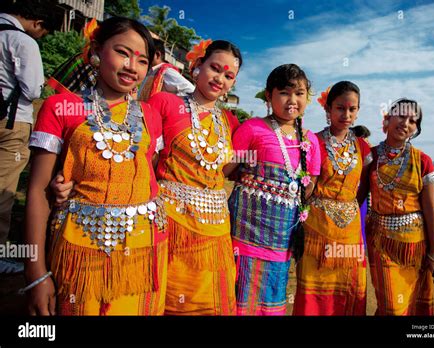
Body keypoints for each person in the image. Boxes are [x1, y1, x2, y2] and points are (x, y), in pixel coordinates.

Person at [24, 17, 168, 316]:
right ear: (96, 51)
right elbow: (37, 190)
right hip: (82, 248)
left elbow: (145, 176)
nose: (132, 66)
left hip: (145, 248)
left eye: (142, 60)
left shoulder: (151, 115)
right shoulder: (61, 107)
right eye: (122, 52)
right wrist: (36, 273)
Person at [147, 39, 242, 315]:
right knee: (167, 298)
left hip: (215, 231)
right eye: (215, 68)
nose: (220, 79)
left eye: (229, 76)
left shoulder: (230, 122)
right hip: (171, 224)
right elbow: (146, 158)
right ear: (197, 66)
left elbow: (224, 169)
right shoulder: (164, 103)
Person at [226, 64, 321, 315]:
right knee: (240, 292)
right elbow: (226, 169)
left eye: (299, 93)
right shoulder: (252, 129)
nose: (293, 100)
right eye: (284, 93)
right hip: (245, 234)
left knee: (272, 295)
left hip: (281, 237)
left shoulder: (310, 140)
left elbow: (309, 185)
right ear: (269, 96)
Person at [293, 81, 372, 315]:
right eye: (340, 108)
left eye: (352, 109)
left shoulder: (363, 148)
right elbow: (303, 185)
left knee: (349, 288)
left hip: (349, 233)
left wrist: (347, 209)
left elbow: (364, 189)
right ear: (328, 109)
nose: (346, 114)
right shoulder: (311, 141)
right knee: (314, 291)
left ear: (358, 110)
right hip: (316, 230)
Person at [366, 98, 434, 315]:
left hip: (414, 247)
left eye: (412, 121)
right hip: (380, 243)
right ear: (388, 118)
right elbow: (357, 196)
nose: (405, 123)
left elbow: (430, 209)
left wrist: (433, 252)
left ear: (416, 129)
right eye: (401, 116)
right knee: (391, 306)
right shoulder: (371, 156)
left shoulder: (423, 161)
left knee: (410, 304)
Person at [0, 0, 56, 274]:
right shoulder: (22, 42)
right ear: (37, 23)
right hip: (11, 123)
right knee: (4, 188)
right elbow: (33, 89)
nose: (40, 36)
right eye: (43, 32)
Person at [137, 34, 195, 101]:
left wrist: (167, 104)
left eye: (146, 53)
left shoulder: (166, 72)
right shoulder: (152, 71)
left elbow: (190, 90)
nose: (143, 56)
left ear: (157, 55)